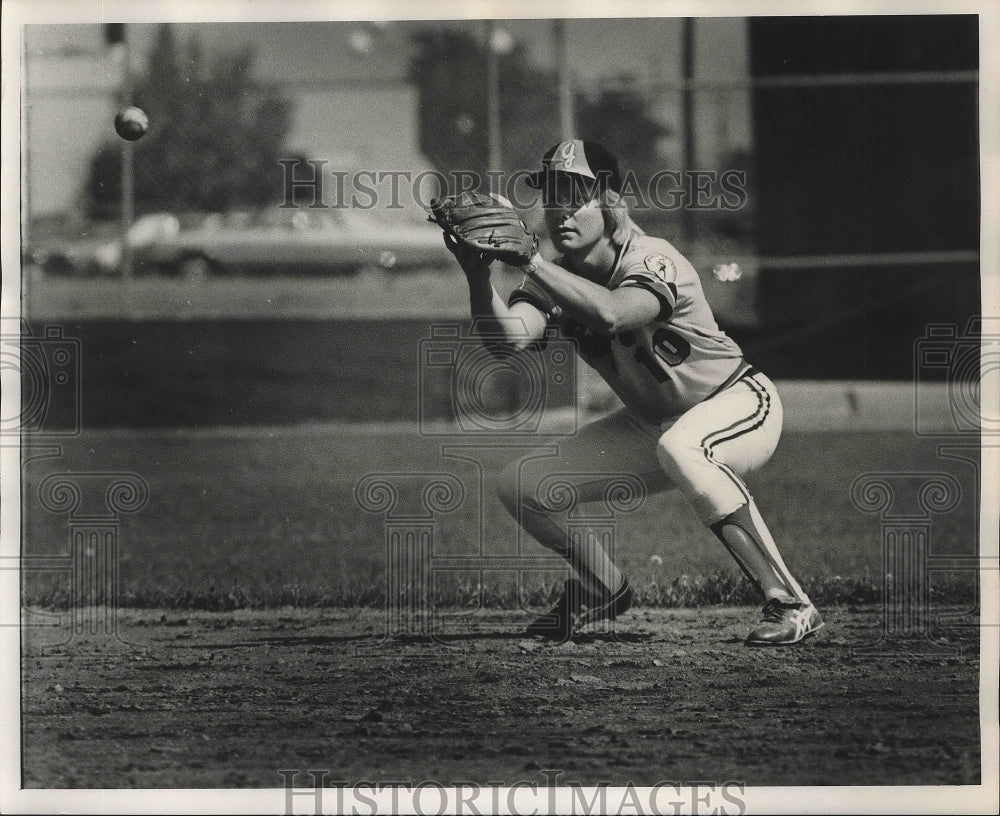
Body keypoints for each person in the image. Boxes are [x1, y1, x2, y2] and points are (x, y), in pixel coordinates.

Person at [444, 140, 823, 646]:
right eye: (552, 195)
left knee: (685, 447)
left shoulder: (651, 256)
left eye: (575, 194)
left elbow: (612, 313)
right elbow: (508, 339)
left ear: (609, 200)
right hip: (654, 423)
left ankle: (791, 602)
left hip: (737, 403)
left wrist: (532, 261)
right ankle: (603, 588)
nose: (560, 209)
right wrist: (477, 275)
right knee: (524, 483)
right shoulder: (553, 276)